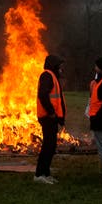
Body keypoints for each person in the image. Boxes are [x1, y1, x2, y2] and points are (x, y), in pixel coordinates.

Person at [34, 54, 66, 184]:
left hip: (52, 118)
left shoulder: (53, 76)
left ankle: (46, 173)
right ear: (54, 65)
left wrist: (60, 118)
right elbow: (43, 95)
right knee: (48, 146)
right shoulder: (47, 75)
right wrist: (51, 112)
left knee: (51, 146)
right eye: (59, 65)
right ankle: (39, 174)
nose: (61, 68)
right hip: (48, 117)